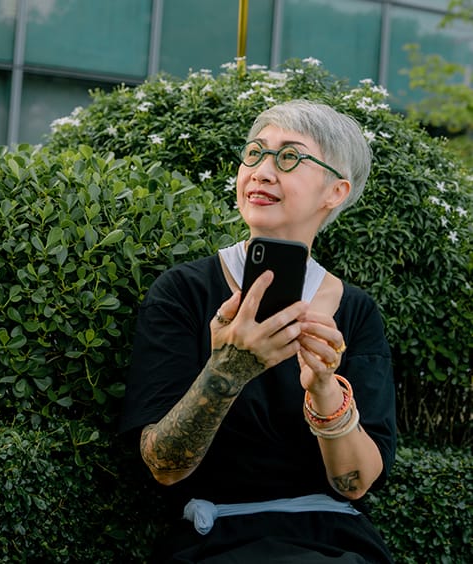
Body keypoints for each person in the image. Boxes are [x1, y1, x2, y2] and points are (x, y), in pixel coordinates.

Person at [120, 99, 396, 563]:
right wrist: (228, 369)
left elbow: (356, 483)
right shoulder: (184, 292)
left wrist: (325, 389)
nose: (262, 171)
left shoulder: (356, 313)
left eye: (289, 157)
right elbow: (162, 466)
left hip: (333, 542)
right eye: (254, 153)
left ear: (336, 192)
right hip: (217, 539)